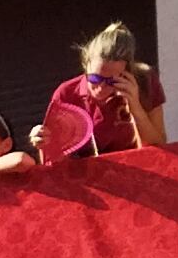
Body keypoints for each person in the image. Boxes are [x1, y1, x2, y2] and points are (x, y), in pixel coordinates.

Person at [43, 22, 168, 158]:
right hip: (90, 170)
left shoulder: (145, 82)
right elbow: (54, 161)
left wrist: (135, 107)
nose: (101, 87)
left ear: (126, 74)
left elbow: (158, 151)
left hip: (137, 166)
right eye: (95, 78)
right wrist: (44, 142)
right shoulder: (67, 94)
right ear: (85, 66)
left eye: (111, 81)